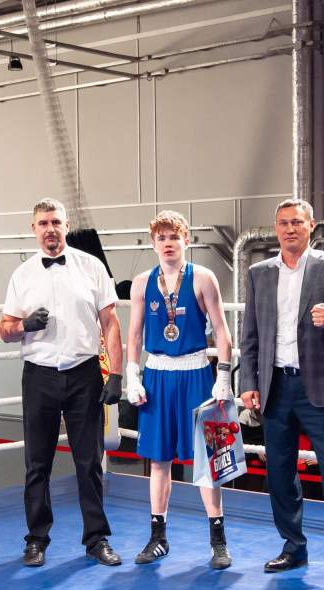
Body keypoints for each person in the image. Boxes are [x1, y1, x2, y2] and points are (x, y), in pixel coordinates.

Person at [239, 199, 324, 587]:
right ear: (275, 228)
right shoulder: (259, 272)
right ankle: (293, 546)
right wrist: (248, 384)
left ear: (312, 225)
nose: (289, 228)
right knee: (279, 471)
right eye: (283, 223)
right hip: (275, 386)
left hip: (321, 386)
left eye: (296, 222)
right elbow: (250, 334)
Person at [0, 198, 124, 567]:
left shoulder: (91, 266)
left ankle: (97, 539)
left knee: (90, 461)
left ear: (66, 226)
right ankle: (36, 539)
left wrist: (116, 373)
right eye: (43, 223)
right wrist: (24, 325)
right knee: (37, 462)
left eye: (56, 222)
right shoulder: (22, 275)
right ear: (33, 229)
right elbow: (5, 330)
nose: (50, 229)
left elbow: (110, 323)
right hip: (39, 374)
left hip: (84, 372)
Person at [124, 210, 234, 568]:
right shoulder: (141, 282)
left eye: (174, 237)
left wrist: (224, 376)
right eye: (162, 238)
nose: (168, 243)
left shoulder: (202, 278)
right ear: (153, 243)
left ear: (186, 239)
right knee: (159, 460)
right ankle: (158, 538)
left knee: (209, 460)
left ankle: (218, 542)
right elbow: (134, 333)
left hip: (196, 374)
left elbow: (222, 331)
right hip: (157, 376)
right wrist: (131, 374)